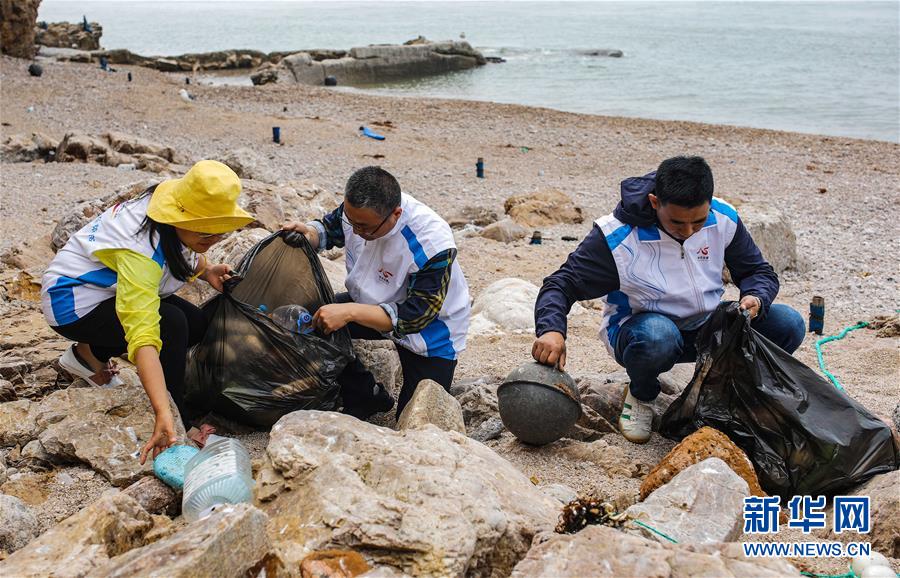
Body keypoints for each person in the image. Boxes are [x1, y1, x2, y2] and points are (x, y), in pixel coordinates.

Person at [532, 156, 805, 444]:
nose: (688, 232)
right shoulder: (617, 237)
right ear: (653, 202)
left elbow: (757, 271)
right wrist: (551, 331)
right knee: (658, 336)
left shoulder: (724, 217)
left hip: (709, 327)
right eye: (677, 223)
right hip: (644, 332)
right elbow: (560, 284)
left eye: (698, 222)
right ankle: (641, 395)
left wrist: (755, 297)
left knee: (788, 324)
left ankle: (733, 393)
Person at [40, 160, 254, 463]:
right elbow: (143, 335)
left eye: (220, 233)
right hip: (72, 302)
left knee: (195, 324)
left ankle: (88, 356)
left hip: (106, 289)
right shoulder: (139, 252)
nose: (213, 239)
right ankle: (179, 419)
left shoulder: (172, 210)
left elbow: (179, 249)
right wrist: (163, 412)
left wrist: (207, 271)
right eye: (205, 234)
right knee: (172, 325)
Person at [283, 166, 470, 419]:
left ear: (396, 213)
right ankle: (365, 395)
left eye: (365, 228)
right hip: (369, 302)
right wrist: (311, 234)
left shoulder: (432, 243)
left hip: (430, 332)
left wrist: (349, 312)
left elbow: (415, 317)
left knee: (416, 420)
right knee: (304, 320)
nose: (357, 231)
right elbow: (329, 229)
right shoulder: (357, 212)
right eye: (353, 223)